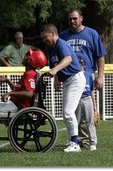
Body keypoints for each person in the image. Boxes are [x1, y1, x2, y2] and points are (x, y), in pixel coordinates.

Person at [59, 9, 107, 149]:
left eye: (74, 18)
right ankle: (75, 140)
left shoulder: (91, 33)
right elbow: (59, 59)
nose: (72, 21)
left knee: (88, 113)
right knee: (73, 111)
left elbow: (100, 56)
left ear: (81, 18)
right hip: (69, 78)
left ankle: (87, 141)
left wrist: (100, 76)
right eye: (70, 19)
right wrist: (57, 78)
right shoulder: (63, 36)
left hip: (87, 76)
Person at [40, 24, 86, 152]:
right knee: (66, 113)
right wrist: (57, 80)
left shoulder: (61, 44)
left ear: (53, 34)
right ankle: (72, 140)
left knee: (68, 112)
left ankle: (75, 143)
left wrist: (54, 70)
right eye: (42, 38)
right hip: (67, 80)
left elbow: (68, 59)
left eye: (45, 37)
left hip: (75, 79)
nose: (44, 40)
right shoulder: (51, 48)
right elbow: (56, 64)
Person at [75, 54, 97, 151]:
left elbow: (92, 91)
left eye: (81, 63)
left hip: (87, 98)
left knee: (90, 122)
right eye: (78, 63)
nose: (80, 65)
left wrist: (94, 104)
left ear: (84, 64)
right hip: (78, 99)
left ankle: (92, 143)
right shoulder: (74, 75)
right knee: (76, 122)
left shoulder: (89, 74)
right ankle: (74, 142)